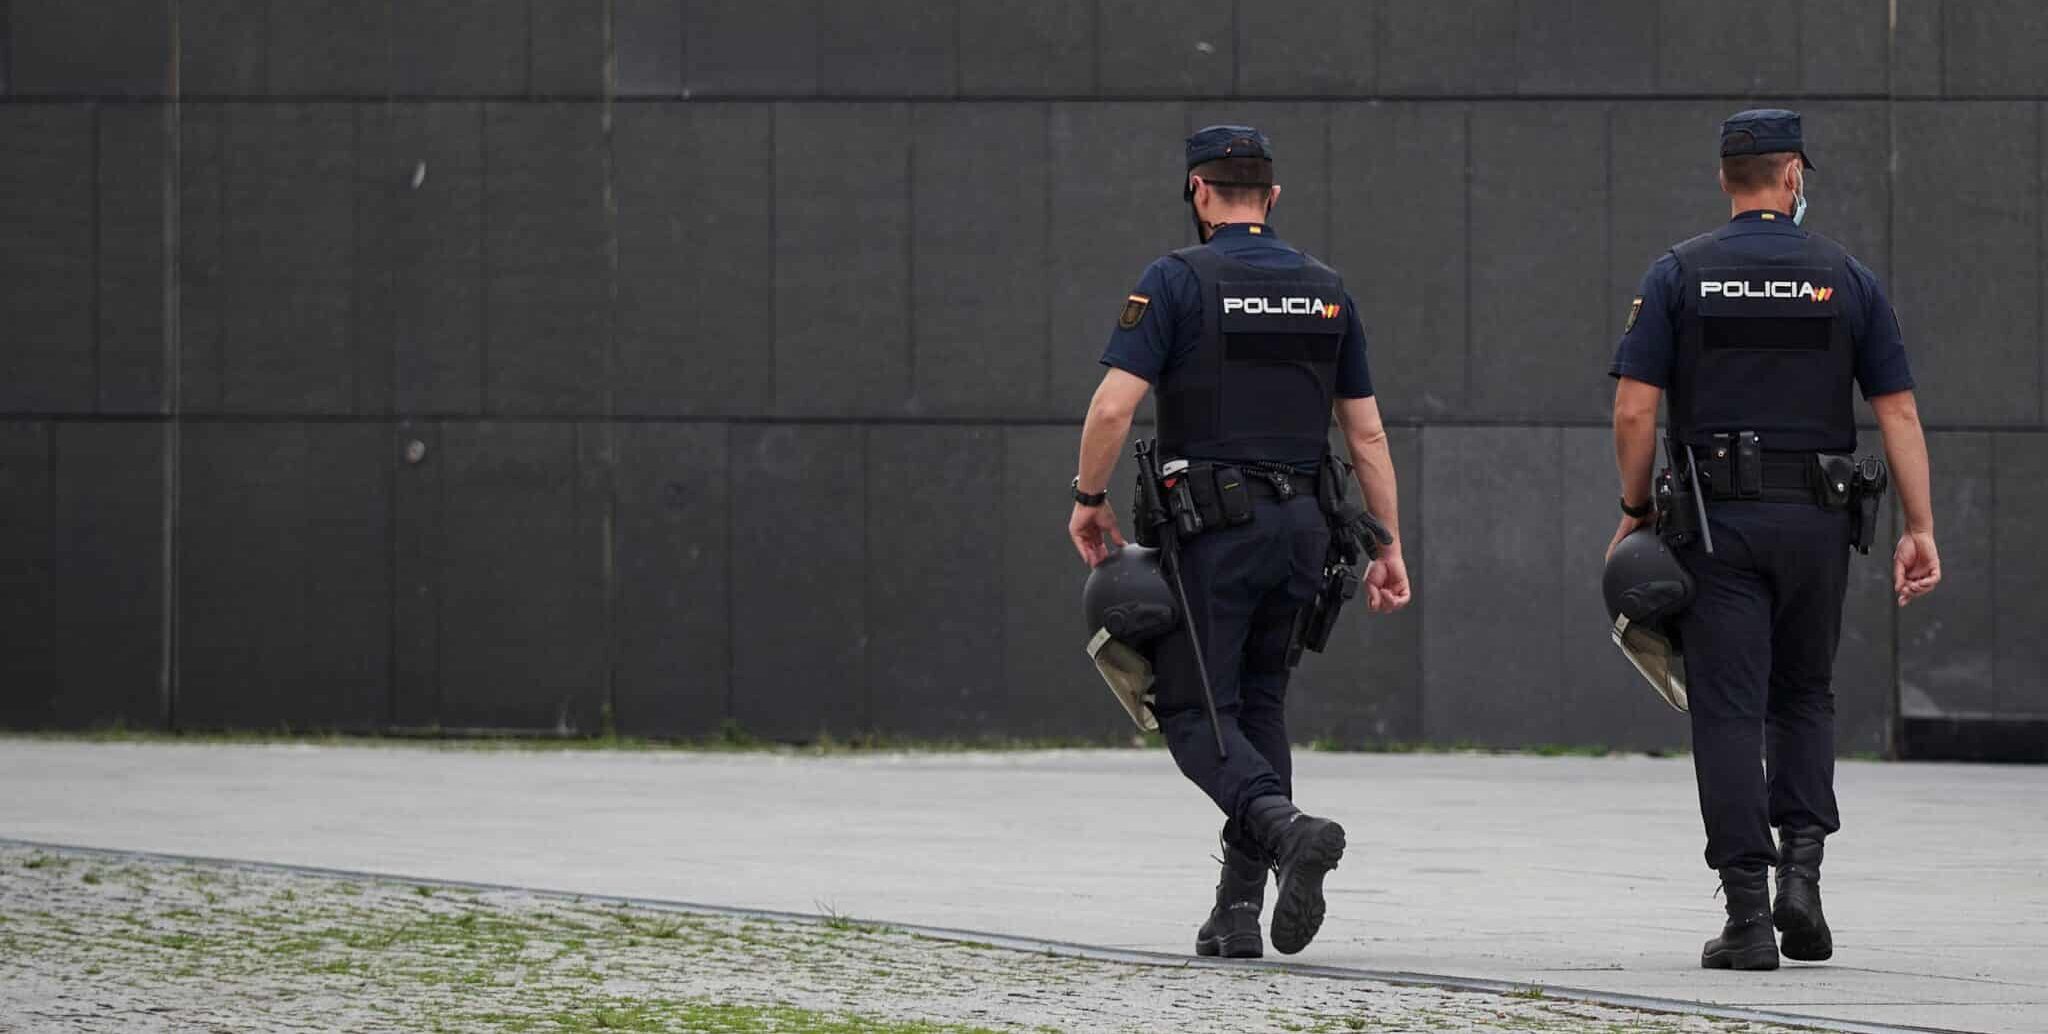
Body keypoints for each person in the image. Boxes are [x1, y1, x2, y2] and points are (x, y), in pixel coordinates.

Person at [1607, 109, 1941, 971]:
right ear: (1792, 176)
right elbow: (1897, 410)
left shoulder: (1680, 273)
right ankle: (1803, 876)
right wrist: (1921, 525)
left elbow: (1636, 406)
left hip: (1717, 527)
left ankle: (1750, 917)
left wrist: (1635, 508)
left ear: (1728, 178)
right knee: (1805, 695)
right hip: (1819, 521)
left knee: (1727, 706)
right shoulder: (1848, 277)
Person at [1065, 125, 1411, 958]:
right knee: (1260, 707)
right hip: (1307, 533)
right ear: (1273, 197)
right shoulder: (1327, 289)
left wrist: (1087, 498)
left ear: (1198, 192)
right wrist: (1389, 545)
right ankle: (1237, 911)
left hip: (1217, 532)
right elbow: (1365, 436)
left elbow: (1114, 407)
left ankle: (1286, 830)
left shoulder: (1176, 279)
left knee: (1191, 708)